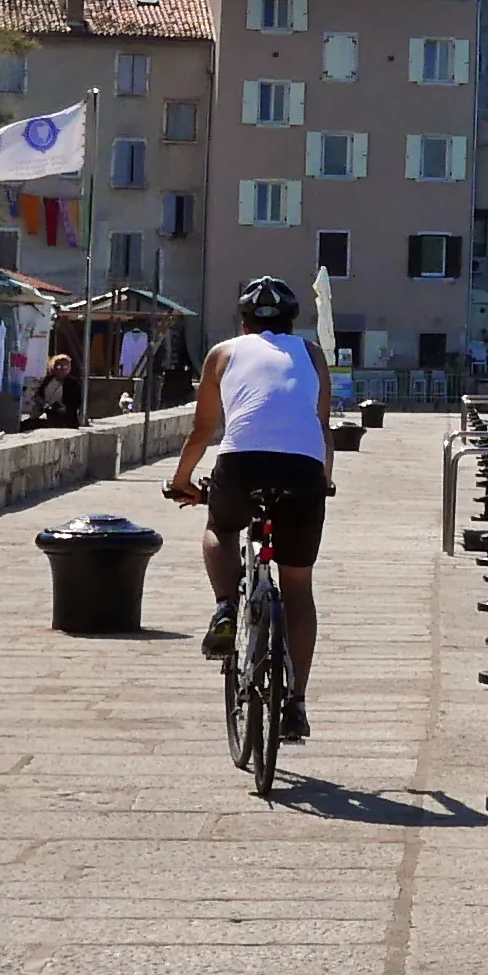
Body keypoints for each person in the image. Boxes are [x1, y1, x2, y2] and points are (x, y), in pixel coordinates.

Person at [164, 276, 336, 741]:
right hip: (303, 470)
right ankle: (296, 702)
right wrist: (326, 479)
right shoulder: (312, 354)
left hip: (241, 463)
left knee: (220, 525)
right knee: (297, 586)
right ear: (291, 320)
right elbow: (322, 426)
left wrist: (182, 483)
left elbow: (202, 430)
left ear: (243, 322)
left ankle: (224, 607)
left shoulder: (222, 353)